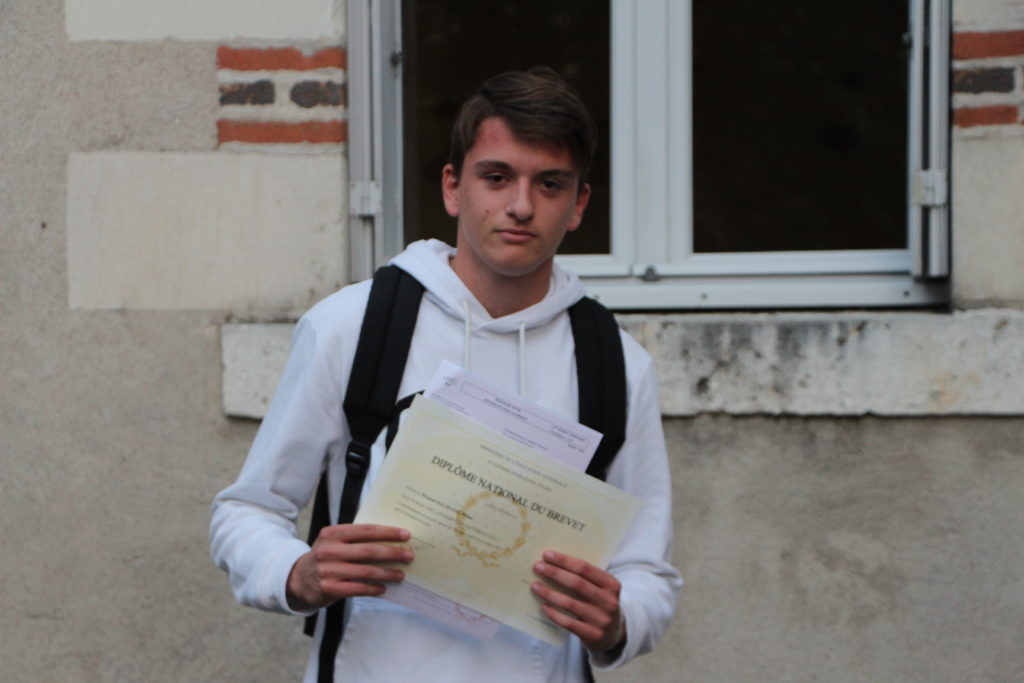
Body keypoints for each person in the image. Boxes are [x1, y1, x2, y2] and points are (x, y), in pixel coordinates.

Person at [210, 67, 681, 682]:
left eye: (550, 183)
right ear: (453, 188)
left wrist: (619, 621)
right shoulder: (354, 326)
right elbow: (246, 512)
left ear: (578, 205)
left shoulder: (615, 364)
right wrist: (296, 573)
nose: (521, 205)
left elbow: (647, 572)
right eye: (497, 177)